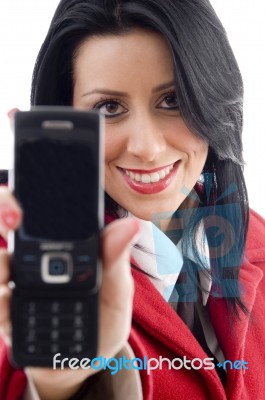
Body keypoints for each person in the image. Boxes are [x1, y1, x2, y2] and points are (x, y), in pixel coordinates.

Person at [1, 0, 265, 399]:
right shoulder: (14, 247)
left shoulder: (254, 235)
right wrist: (59, 383)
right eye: (109, 107)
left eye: (172, 100)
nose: (147, 147)